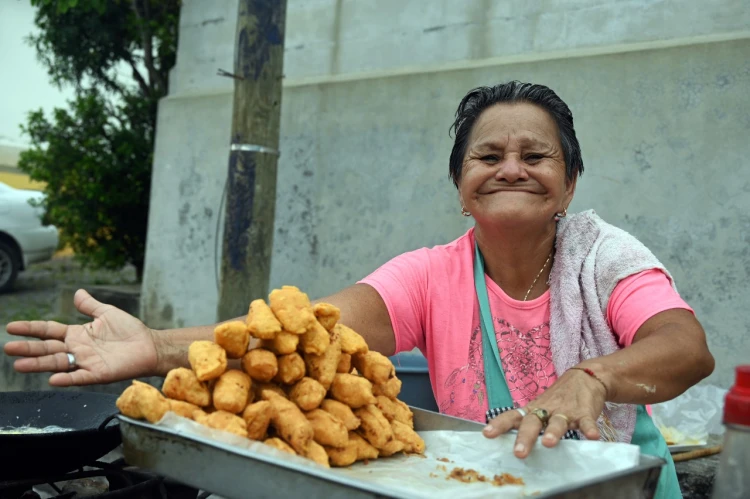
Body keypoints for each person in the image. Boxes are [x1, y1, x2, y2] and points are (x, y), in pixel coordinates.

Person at [4, 81, 713, 498]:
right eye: (487, 155)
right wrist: (157, 344)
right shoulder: (432, 273)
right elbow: (301, 331)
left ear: (570, 180)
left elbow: (684, 346)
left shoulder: (602, 255)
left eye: (536, 154)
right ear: (462, 188)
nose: (511, 168)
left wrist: (592, 376)